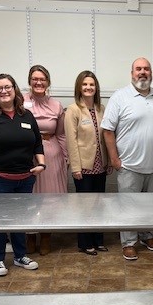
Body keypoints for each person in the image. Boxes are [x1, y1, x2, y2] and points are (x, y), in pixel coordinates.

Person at [0, 73, 45, 277]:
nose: (4, 91)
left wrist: (41, 164)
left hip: (25, 179)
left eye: (8, 87)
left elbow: (37, 142)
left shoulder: (26, 115)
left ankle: (20, 256)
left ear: (15, 90)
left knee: (20, 219)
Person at [101, 57, 153, 261]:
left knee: (151, 206)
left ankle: (147, 235)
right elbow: (107, 130)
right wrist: (114, 159)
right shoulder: (120, 97)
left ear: (151, 73)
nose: (142, 72)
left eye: (146, 69)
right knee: (128, 207)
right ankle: (129, 242)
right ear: (132, 73)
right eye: (138, 69)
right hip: (129, 165)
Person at [23, 64, 67, 255]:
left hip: (51, 154)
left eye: (42, 79)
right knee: (30, 197)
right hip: (28, 155)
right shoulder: (19, 101)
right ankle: (30, 236)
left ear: (48, 82)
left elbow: (62, 134)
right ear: (29, 82)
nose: (39, 82)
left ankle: (47, 236)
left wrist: (65, 157)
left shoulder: (56, 105)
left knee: (51, 198)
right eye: (35, 79)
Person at [64, 71, 109, 255]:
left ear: (96, 87)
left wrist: (109, 160)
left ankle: (98, 240)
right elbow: (71, 141)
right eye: (85, 85)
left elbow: (106, 136)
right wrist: (75, 167)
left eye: (91, 84)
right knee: (84, 206)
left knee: (99, 204)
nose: (88, 88)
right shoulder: (73, 110)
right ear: (79, 88)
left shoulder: (101, 108)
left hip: (101, 165)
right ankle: (84, 242)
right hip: (83, 167)